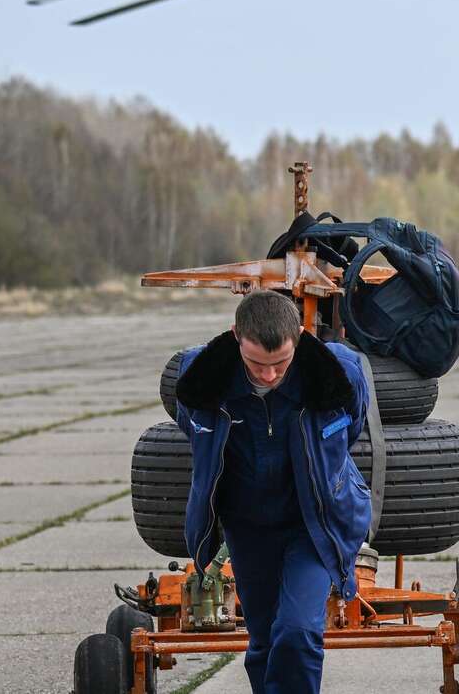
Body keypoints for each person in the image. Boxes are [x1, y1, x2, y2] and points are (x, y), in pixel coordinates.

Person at [171, 290, 374, 694]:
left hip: (315, 522)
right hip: (247, 525)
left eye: (280, 363)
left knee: (297, 632)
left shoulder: (339, 374)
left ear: (298, 336)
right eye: (256, 364)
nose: (268, 375)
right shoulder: (202, 379)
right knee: (263, 641)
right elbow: (192, 428)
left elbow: (351, 428)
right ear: (235, 337)